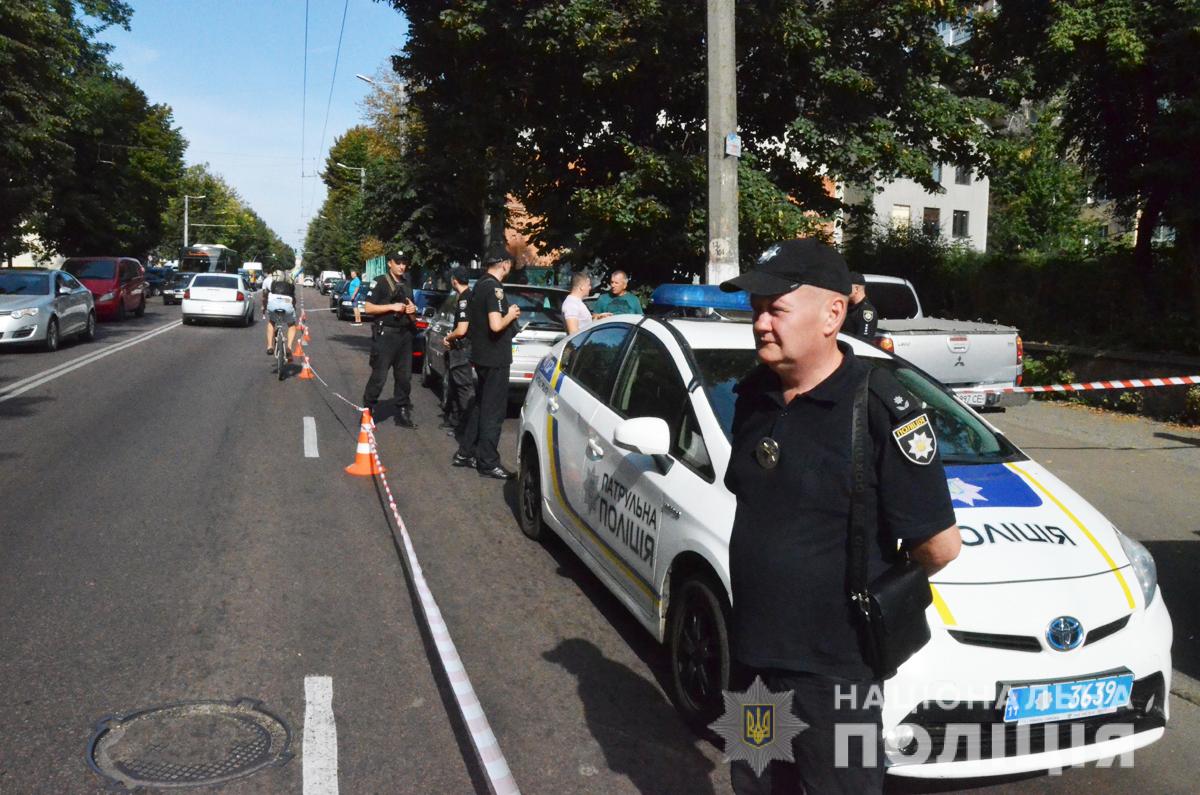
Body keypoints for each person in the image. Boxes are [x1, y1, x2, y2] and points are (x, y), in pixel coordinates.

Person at [719, 239, 961, 794]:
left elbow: (940, 546)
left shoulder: (879, 408)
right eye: (756, 309)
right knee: (755, 784)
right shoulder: (754, 396)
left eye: (776, 309)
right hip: (755, 659)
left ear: (832, 315)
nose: (760, 323)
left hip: (838, 677)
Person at [454, 248, 521, 479]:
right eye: (509, 263)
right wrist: (511, 314)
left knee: (481, 405)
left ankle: (465, 452)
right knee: (493, 412)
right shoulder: (494, 289)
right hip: (495, 358)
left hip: (482, 355)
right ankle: (488, 462)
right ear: (504, 264)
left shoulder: (480, 285)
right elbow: (496, 324)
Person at [362, 251, 419, 428]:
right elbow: (368, 307)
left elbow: (412, 313)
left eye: (404, 263)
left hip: (405, 334)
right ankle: (368, 409)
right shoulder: (380, 282)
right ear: (390, 263)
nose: (402, 266)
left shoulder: (407, 283)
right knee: (379, 376)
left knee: (404, 377)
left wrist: (412, 311)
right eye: (398, 262)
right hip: (385, 334)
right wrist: (391, 307)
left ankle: (402, 410)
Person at [440, 267, 475, 432]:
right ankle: (455, 420)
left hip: (463, 350)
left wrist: (449, 337)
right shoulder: (469, 295)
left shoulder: (464, 300)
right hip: (460, 348)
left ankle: (468, 426)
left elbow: (461, 330)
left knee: (463, 388)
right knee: (454, 385)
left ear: (454, 281)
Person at [261, 269, 298, 358]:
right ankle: (289, 348)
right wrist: (293, 308)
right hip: (287, 304)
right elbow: (293, 300)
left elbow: (264, 297)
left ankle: (270, 346)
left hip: (273, 304)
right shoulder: (290, 286)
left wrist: (264, 307)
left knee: (271, 322)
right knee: (291, 324)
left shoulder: (272, 284)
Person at [843, 271, 878, 339]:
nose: (844, 290)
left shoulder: (866, 310)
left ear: (856, 289)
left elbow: (863, 340)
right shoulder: (849, 307)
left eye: (847, 286)